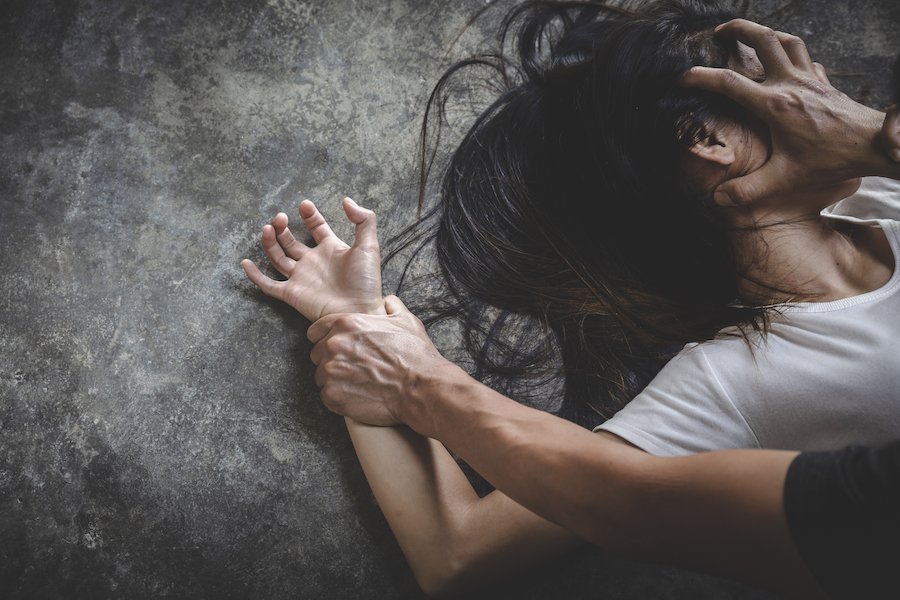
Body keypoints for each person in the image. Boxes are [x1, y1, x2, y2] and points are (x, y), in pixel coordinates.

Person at [241, 1, 900, 596]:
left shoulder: (882, 188)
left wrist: (878, 139)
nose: (816, 76)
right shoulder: (738, 378)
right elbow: (459, 549)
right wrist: (359, 329)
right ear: (709, 141)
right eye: (774, 78)